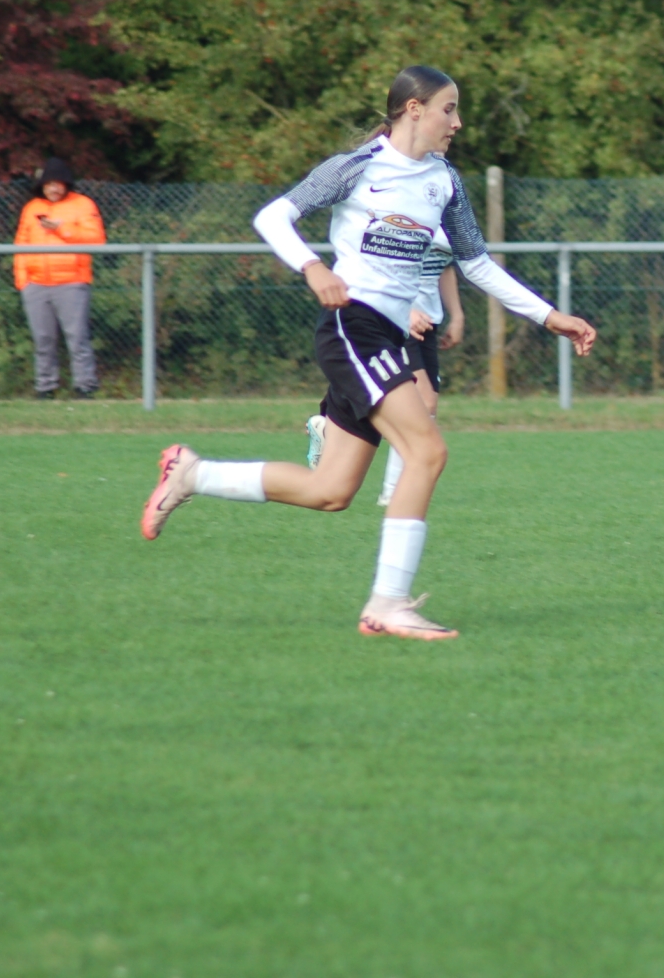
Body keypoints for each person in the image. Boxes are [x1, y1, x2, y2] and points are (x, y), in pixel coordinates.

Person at [139, 66, 598, 640]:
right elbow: (272, 216)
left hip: (384, 337)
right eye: (449, 108)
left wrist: (550, 316)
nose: (457, 122)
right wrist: (313, 267)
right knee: (427, 450)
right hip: (353, 327)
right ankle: (388, 604)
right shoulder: (357, 167)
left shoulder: (444, 181)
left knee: (330, 491)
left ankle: (193, 474)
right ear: (414, 109)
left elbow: (477, 263)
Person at [378, 230, 463, 506]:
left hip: (427, 322)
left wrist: (457, 315)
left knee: (427, 405)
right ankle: (394, 491)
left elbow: (445, 266)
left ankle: (329, 422)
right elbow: (380, 266)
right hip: (397, 318)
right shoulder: (406, 215)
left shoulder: (450, 216)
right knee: (423, 401)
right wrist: (406, 309)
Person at [13, 158, 106, 399]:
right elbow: (21, 246)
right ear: (42, 186)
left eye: (58, 184)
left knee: (77, 337)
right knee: (43, 339)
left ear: (66, 184)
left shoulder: (83, 205)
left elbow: (96, 240)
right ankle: (45, 388)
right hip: (36, 284)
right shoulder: (31, 208)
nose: (53, 189)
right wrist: (23, 281)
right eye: (49, 184)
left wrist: (61, 229)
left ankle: (85, 386)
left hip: (71, 282)